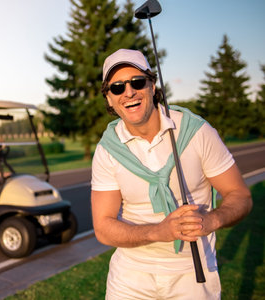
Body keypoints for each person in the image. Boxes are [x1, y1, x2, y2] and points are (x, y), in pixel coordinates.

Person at [91, 49, 252, 299]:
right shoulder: (107, 150)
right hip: (130, 276)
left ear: (152, 86)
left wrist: (211, 221)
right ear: (109, 99)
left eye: (137, 82)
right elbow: (103, 227)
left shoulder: (197, 132)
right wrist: (159, 231)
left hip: (192, 273)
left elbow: (239, 194)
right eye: (117, 88)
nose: (128, 92)